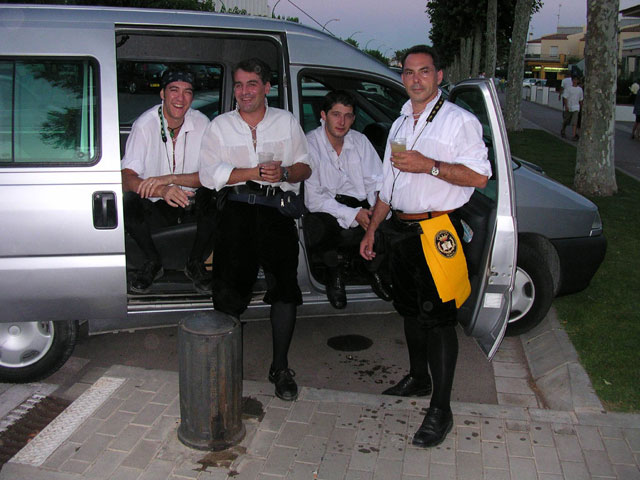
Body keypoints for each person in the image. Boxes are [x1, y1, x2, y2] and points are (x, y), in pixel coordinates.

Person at [360, 45, 491, 448]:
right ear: (402, 77)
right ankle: (419, 378)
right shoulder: (400, 122)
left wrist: (429, 165)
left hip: (437, 232)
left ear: (438, 76)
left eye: (424, 71)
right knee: (410, 310)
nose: (415, 79)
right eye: (408, 72)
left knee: (439, 320)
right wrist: (372, 229)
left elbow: (479, 177)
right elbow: (388, 185)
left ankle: (441, 410)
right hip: (400, 230)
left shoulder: (458, 121)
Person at [199, 58, 311, 401]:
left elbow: (305, 166)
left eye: (251, 84)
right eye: (239, 84)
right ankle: (224, 371)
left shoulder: (286, 121)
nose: (244, 91)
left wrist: (286, 174)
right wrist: (251, 172)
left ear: (266, 88)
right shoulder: (219, 126)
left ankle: (280, 368)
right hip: (236, 212)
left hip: (276, 212)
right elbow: (208, 175)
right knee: (228, 294)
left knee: (285, 290)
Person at [121, 68, 217, 294]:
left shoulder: (202, 123)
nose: (180, 98)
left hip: (190, 201)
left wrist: (174, 180)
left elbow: (211, 175)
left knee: (216, 195)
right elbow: (126, 178)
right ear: (162, 94)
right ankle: (152, 261)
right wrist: (163, 190)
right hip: (156, 205)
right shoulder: (145, 125)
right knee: (128, 201)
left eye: (187, 92)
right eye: (174, 90)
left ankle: (195, 262)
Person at [304, 90, 391, 309]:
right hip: (328, 206)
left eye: (348, 116)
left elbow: (376, 182)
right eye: (336, 114)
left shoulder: (360, 141)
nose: (342, 122)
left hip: (361, 202)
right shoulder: (309, 144)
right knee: (319, 226)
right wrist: (353, 215)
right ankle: (335, 272)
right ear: (323, 115)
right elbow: (313, 198)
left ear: (353, 118)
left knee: (389, 222)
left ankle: (373, 270)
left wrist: (374, 210)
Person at [560, 75, 583, 141]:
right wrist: (566, 106)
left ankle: (574, 135)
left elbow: (581, 99)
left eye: (576, 80)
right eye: (574, 80)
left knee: (574, 121)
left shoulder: (580, 89)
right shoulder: (568, 88)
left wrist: (581, 107)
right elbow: (565, 97)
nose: (575, 81)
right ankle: (563, 129)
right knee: (566, 121)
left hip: (576, 107)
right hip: (569, 107)